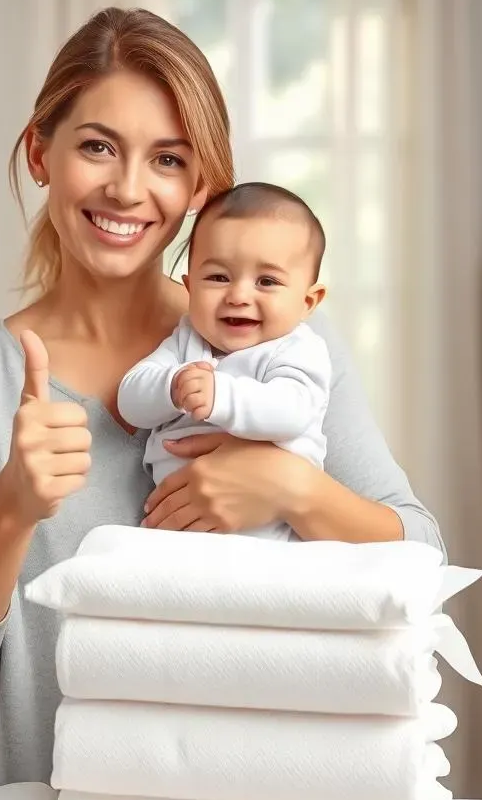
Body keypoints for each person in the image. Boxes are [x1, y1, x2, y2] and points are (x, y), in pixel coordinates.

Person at [0, 7, 444, 790]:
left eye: (168, 159)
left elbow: (422, 556)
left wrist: (290, 486)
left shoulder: (285, 350)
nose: (127, 189)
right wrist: (9, 508)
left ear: (200, 186)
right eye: (97, 147)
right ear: (41, 153)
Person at [117, 181, 330, 540]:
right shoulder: (186, 343)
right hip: (176, 531)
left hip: (266, 533)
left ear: (308, 301)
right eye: (218, 277)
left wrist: (222, 397)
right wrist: (171, 386)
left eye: (266, 281)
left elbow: (293, 411)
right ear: (190, 287)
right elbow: (130, 400)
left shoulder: (296, 348)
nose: (239, 295)